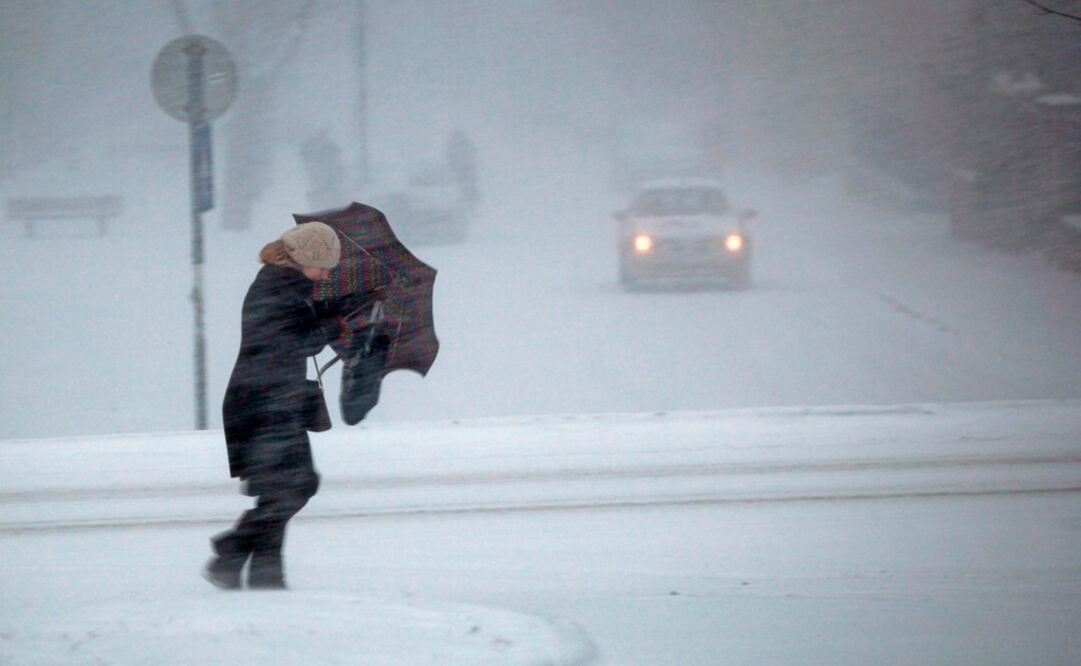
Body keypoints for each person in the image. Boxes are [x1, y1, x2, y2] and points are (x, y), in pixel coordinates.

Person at [204, 221, 342, 590]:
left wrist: (331, 317)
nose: (327, 272)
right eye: (324, 264)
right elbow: (299, 341)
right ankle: (231, 550)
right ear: (304, 257)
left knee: (281, 490)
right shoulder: (279, 288)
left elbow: (298, 334)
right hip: (264, 402)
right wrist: (334, 325)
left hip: (268, 399)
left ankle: (264, 578)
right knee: (297, 485)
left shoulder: (283, 285)